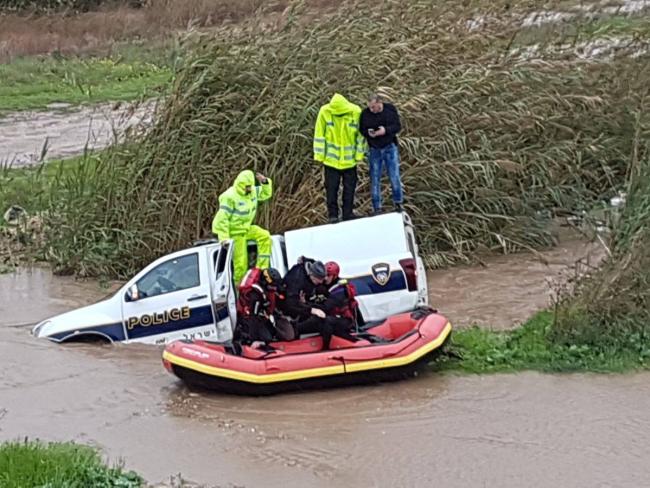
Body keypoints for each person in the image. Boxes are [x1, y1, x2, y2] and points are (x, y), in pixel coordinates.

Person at [211, 170, 273, 284]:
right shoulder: (229, 197)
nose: (249, 189)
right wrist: (224, 237)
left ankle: (260, 269)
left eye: (250, 186)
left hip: (247, 228)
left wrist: (265, 182)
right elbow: (222, 219)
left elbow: (265, 194)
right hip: (235, 233)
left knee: (265, 236)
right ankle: (241, 292)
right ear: (240, 184)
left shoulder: (252, 191)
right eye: (247, 187)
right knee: (240, 266)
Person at [313, 93, 367, 223]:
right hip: (331, 161)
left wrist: (359, 155)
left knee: (349, 189)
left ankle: (347, 213)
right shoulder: (325, 111)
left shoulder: (356, 112)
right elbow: (319, 134)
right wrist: (319, 156)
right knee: (331, 189)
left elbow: (361, 136)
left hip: (349, 161)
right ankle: (333, 215)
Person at [360, 93, 404, 214]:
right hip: (374, 149)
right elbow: (362, 129)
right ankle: (377, 207)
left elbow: (397, 126)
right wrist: (368, 133)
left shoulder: (390, 109)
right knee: (375, 178)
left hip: (389, 146)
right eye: (370, 107)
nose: (372, 110)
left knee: (394, 175)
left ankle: (398, 202)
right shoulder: (365, 114)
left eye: (373, 107)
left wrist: (385, 130)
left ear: (380, 103)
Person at [277, 259, 335, 350]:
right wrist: (311, 310)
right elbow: (290, 305)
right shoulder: (296, 280)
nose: (321, 282)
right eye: (319, 280)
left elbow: (310, 261)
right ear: (312, 275)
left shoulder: (311, 269)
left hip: (300, 302)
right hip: (284, 309)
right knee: (290, 335)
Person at [234, 267, 294, 347]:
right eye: (273, 286)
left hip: (266, 314)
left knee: (285, 334)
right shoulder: (255, 296)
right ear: (266, 284)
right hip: (251, 317)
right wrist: (254, 340)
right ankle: (245, 336)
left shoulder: (270, 289)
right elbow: (253, 317)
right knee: (267, 338)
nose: (275, 288)